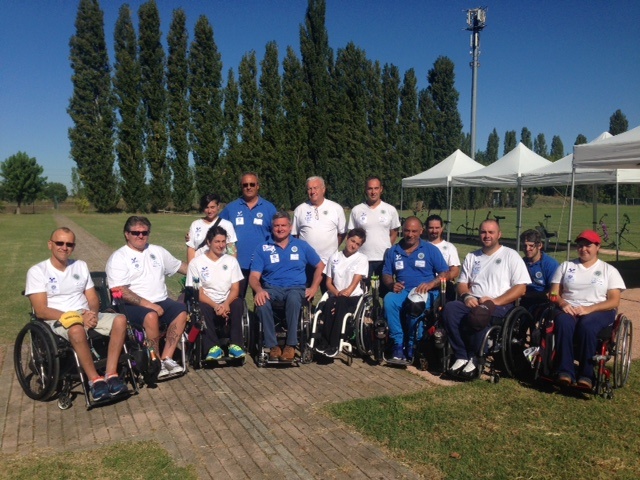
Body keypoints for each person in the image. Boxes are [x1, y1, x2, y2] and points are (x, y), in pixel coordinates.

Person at [25, 227, 128, 401]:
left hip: (84, 313)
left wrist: (93, 314)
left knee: (120, 320)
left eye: (69, 244)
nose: (64, 247)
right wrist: (80, 318)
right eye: (60, 243)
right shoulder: (37, 271)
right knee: (76, 329)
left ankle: (111, 375)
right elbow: (42, 310)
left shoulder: (80, 266)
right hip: (56, 318)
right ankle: (94, 381)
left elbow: (93, 298)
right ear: (50, 244)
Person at [443, 219, 530, 377]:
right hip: (474, 299)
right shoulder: (472, 256)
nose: (487, 235)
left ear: (499, 234)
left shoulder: (511, 256)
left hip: (499, 303)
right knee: (451, 309)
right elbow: (462, 283)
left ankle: (475, 357)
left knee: (479, 315)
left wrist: (494, 301)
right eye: (483, 232)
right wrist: (467, 296)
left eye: (491, 232)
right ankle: (462, 355)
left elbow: (521, 288)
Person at [106, 216, 188, 379]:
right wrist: (149, 305)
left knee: (181, 311)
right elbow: (119, 291)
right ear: (126, 234)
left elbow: (181, 267)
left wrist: (208, 271)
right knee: (151, 316)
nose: (140, 236)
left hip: (159, 300)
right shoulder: (119, 257)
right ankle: (154, 362)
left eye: (144, 232)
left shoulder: (157, 251)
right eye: (135, 232)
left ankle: (166, 359)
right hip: (128, 305)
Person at [550, 230, 625, 389]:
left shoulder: (609, 270)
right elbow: (553, 293)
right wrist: (563, 304)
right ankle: (565, 371)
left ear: (598, 247)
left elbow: (614, 300)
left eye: (588, 245)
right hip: (569, 307)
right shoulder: (566, 266)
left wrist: (590, 309)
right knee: (563, 323)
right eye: (580, 245)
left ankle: (586, 374)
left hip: (599, 309)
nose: (583, 249)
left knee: (587, 326)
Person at [249, 211, 324, 362]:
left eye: (283, 225)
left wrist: (314, 287)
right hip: (272, 288)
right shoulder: (263, 248)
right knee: (262, 302)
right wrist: (259, 290)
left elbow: (320, 266)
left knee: (294, 298)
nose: (280, 228)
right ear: (272, 227)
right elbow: (254, 276)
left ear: (290, 227)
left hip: (295, 288)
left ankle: (291, 345)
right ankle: (272, 346)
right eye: (276, 226)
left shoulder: (301, 245)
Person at [382, 216, 450, 361]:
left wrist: (431, 284)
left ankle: (414, 344)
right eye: (407, 230)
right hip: (403, 290)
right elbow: (387, 274)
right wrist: (391, 284)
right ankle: (398, 344)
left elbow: (444, 272)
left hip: (424, 291)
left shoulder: (430, 250)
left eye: (414, 231)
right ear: (402, 231)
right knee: (389, 300)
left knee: (415, 305)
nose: (410, 234)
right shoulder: (394, 251)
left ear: (421, 231)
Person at [186, 226, 246, 361]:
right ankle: (212, 348)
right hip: (208, 301)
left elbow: (235, 289)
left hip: (227, 299)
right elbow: (198, 292)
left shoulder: (231, 261)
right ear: (209, 242)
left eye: (223, 241)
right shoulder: (196, 263)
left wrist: (225, 304)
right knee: (201, 307)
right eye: (217, 241)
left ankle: (236, 345)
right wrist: (216, 306)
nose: (221, 245)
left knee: (238, 304)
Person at [219, 172, 277, 297]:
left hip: (263, 264)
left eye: (252, 184)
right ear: (241, 186)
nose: (248, 187)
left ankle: (258, 317)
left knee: (263, 301)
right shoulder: (231, 207)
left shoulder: (269, 208)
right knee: (236, 299)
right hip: (238, 263)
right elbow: (215, 226)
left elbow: (279, 232)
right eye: (245, 185)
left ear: (258, 186)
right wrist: (196, 230)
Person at [316, 228, 369, 358]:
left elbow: (356, 281)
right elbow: (328, 282)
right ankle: (323, 342)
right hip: (336, 295)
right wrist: (337, 293)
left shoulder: (361, 259)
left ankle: (334, 344)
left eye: (357, 244)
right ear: (347, 239)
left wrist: (346, 292)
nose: (353, 245)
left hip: (352, 297)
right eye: (352, 241)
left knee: (339, 303)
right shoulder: (334, 257)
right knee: (328, 304)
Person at [292, 176, 347, 290]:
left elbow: (342, 233)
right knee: (304, 295)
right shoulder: (300, 209)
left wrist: (331, 247)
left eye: (315, 188)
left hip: (329, 261)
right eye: (309, 189)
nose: (312, 192)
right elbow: (295, 236)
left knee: (330, 295)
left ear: (323, 189)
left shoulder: (336, 208)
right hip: (306, 263)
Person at [348, 176, 400, 280]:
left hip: (384, 258)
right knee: (362, 291)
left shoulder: (390, 210)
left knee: (384, 292)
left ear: (381, 189)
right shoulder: (357, 210)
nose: (373, 192)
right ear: (365, 190)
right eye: (370, 188)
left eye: (376, 188)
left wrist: (385, 246)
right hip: (362, 258)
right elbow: (351, 235)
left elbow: (394, 232)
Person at [186, 193, 237, 263]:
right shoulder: (195, 224)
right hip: (199, 266)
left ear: (218, 206)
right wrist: (191, 267)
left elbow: (231, 248)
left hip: (219, 267)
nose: (209, 211)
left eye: (212, 207)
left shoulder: (227, 225)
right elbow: (191, 248)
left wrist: (231, 266)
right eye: (206, 207)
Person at [519, 228, 560, 309]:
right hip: (525, 300)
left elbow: (553, 291)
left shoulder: (550, 264)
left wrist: (531, 295)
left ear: (539, 245)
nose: (527, 249)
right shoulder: (521, 262)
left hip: (543, 302)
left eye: (531, 246)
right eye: (524, 246)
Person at [425, 214, 461, 281]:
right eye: (431, 228)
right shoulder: (421, 247)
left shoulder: (450, 247)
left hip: (443, 284)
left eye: (437, 228)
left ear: (442, 228)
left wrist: (439, 280)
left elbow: (455, 271)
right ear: (426, 228)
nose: (434, 231)